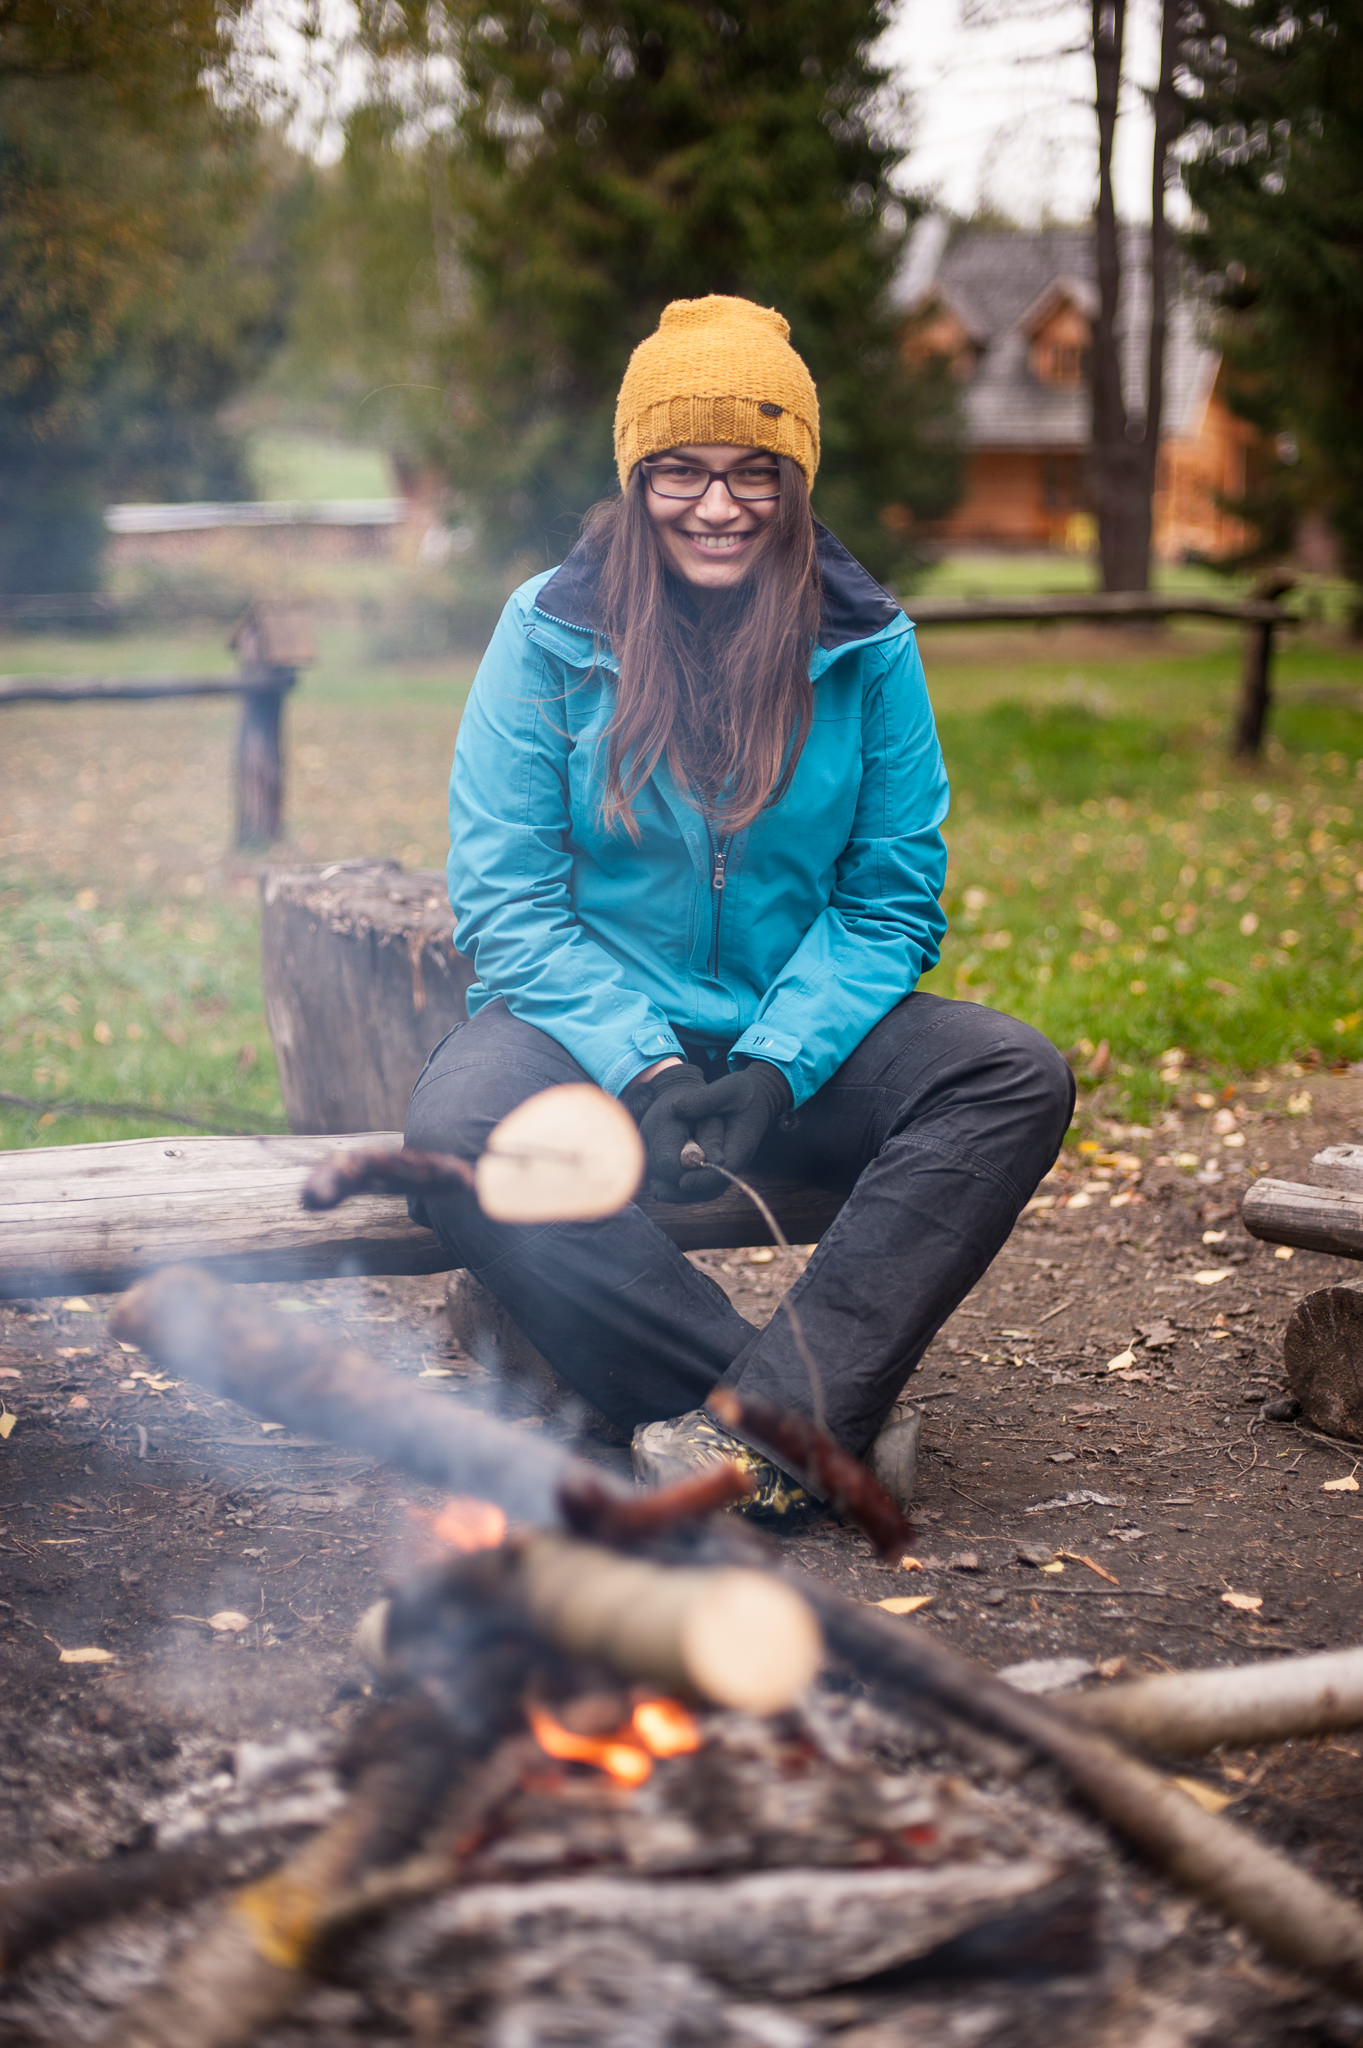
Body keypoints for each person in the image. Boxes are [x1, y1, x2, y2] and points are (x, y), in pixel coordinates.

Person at [406, 294, 1074, 1514]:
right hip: (581, 1033)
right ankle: (786, 1419)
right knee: (457, 1129)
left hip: (793, 1039)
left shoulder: (867, 644)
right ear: (635, 474)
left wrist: (777, 1059)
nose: (717, 505)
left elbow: (890, 897)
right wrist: (644, 1068)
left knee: (1009, 1072)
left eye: (753, 471)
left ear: (796, 479)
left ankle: (765, 1418)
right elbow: (506, 900)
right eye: (680, 471)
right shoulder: (546, 632)